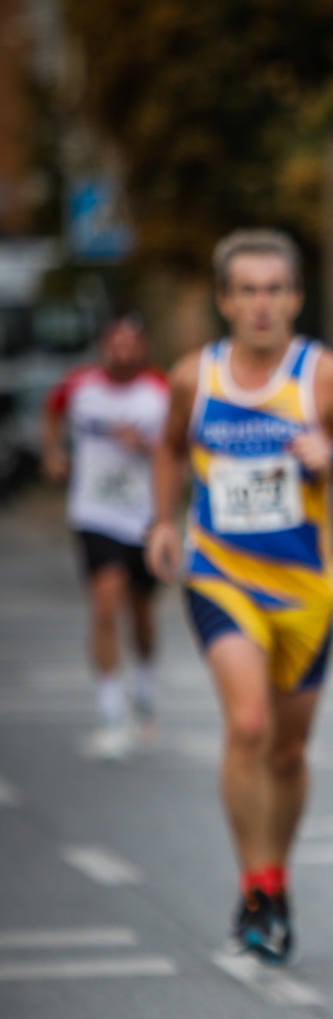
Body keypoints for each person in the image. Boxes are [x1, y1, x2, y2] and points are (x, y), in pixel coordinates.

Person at [145, 229, 333, 962]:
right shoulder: (197, 376)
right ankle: (254, 885)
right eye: (247, 290)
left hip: (306, 592)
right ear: (225, 300)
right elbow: (167, 445)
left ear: (294, 296)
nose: (261, 304)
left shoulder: (322, 376)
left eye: (274, 289)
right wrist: (165, 523)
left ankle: (275, 878)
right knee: (248, 724)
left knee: (287, 751)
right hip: (221, 576)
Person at [43, 312, 169, 759]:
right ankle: (111, 710)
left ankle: (146, 692)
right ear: (103, 346)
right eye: (115, 342)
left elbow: (179, 451)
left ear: (144, 348)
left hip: (146, 517)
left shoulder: (160, 393)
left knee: (142, 613)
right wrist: (54, 453)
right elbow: (52, 412)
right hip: (95, 512)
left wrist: (147, 446)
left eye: (132, 343)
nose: (124, 350)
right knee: (105, 603)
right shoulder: (80, 387)